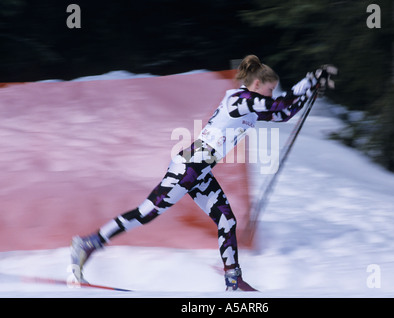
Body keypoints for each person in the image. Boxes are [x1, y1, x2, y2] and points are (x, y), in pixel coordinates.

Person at [70, 55, 336, 291]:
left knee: (227, 221)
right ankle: (88, 243)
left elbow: (283, 114)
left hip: (200, 172)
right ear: (256, 85)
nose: (270, 95)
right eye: (269, 90)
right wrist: (310, 84)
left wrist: (311, 84)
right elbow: (282, 107)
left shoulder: (252, 108)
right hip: (187, 168)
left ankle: (233, 281)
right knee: (146, 212)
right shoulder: (241, 100)